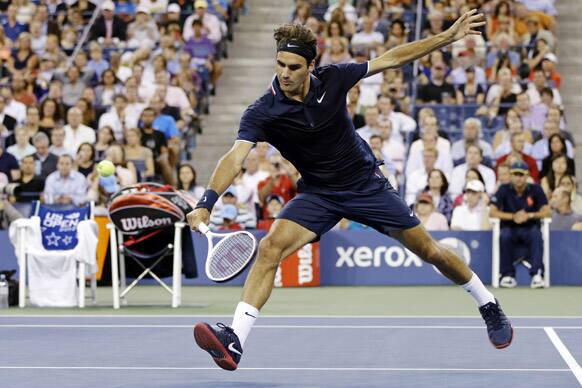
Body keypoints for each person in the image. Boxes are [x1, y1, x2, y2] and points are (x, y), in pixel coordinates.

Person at [187, 14, 513, 371]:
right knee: (269, 248)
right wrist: (207, 202)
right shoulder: (263, 111)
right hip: (319, 194)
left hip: (364, 184)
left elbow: (392, 57)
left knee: (429, 250)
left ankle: (487, 303)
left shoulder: (335, 78)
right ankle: (235, 340)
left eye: (294, 66)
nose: (285, 73)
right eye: (280, 64)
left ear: (311, 65)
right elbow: (235, 158)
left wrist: (446, 37)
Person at [490, 161, 550, 289]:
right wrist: (513, 216)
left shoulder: (536, 189)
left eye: (521, 174)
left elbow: (546, 211)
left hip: (530, 228)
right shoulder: (503, 189)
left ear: (527, 175)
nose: (518, 178)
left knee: (536, 235)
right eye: (515, 174)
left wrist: (529, 215)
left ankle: (536, 275)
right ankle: (507, 275)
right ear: (511, 175)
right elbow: (492, 212)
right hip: (510, 228)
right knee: (504, 236)